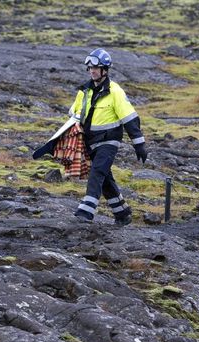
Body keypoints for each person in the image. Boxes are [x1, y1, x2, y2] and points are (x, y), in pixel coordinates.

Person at [70, 48, 147, 226]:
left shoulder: (115, 92)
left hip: (109, 141)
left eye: (96, 68)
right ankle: (122, 213)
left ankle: (86, 211)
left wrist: (139, 144)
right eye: (90, 68)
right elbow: (74, 115)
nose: (92, 71)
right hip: (89, 142)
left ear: (105, 70)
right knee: (105, 178)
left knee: (97, 172)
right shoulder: (84, 91)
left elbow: (129, 118)